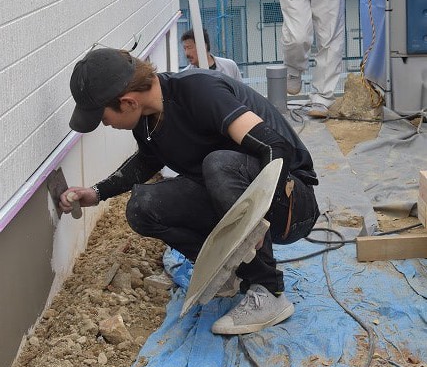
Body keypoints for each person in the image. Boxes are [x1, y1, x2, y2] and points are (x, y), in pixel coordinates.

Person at [61, 47, 319, 335]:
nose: (105, 124)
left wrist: (254, 223)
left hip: (292, 201)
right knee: (142, 207)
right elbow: (148, 160)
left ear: (128, 102)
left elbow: (276, 149)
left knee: (218, 164)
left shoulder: (199, 92)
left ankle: (269, 291)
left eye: (104, 117)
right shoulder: (146, 120)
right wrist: (97, 192)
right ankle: (228, 273)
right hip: (235, 194)